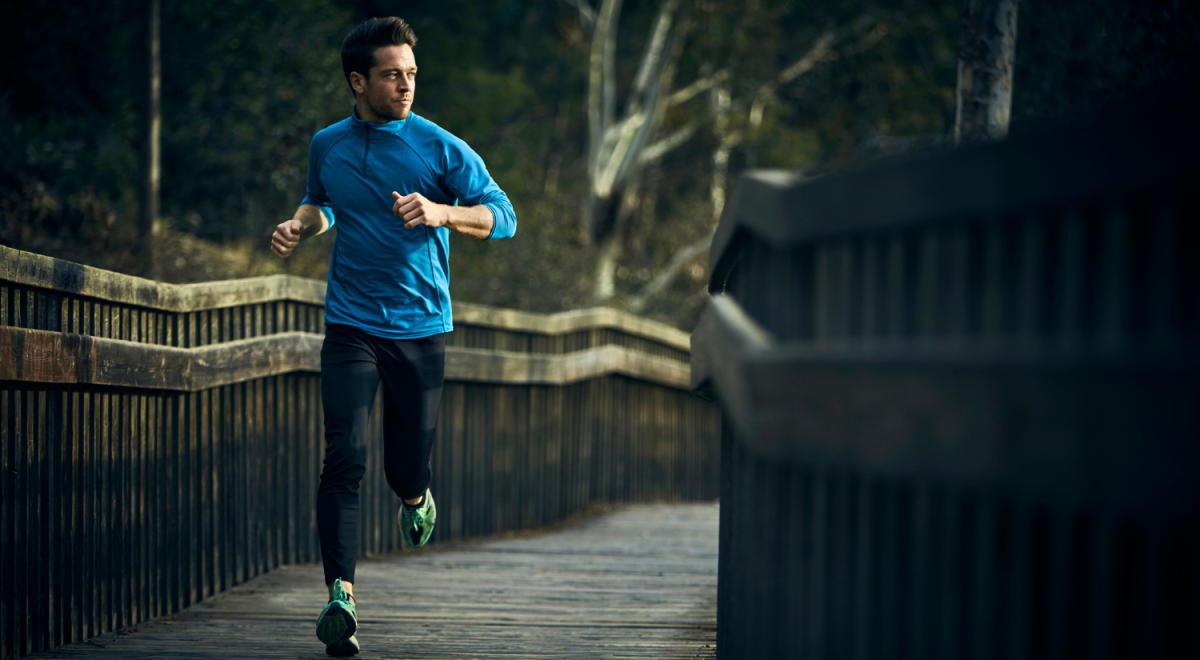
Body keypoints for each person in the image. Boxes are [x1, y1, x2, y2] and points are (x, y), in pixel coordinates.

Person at [270, 16, 517, 657]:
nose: (406, 85)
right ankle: (340, 596)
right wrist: (302, 225)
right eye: (391, 75)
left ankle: (414, 493)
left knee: (402, 464)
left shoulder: (439, 147)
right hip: (350, 324)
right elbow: (321, 199)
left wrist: (442, 212)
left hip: (420, 327)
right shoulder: (329, 143)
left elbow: (505, 216)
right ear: (359, 81)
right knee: (343, 456)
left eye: (411, 73)